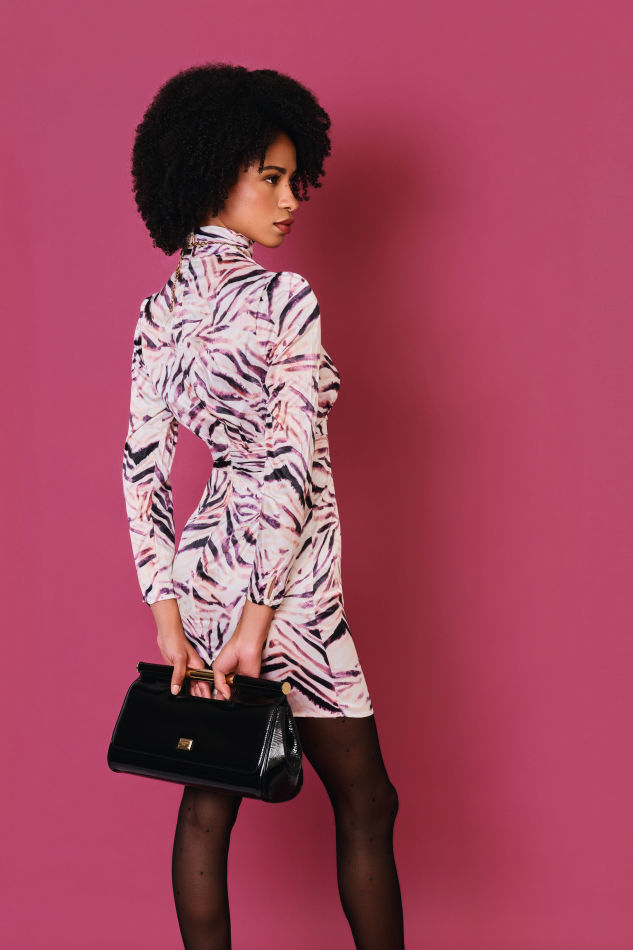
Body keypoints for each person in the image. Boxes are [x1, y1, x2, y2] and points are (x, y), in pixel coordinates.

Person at [122, 62, 405, 950]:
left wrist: (170, 622)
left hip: (204, 569)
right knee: (367, 801)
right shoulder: (285, 297)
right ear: (214, 174)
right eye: (271, 178)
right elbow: (289, 470)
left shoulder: (157, 313)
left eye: (293, 180)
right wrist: (259, 620)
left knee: (209, 799)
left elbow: (141, 473)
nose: (290, 201)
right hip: (290, 584)